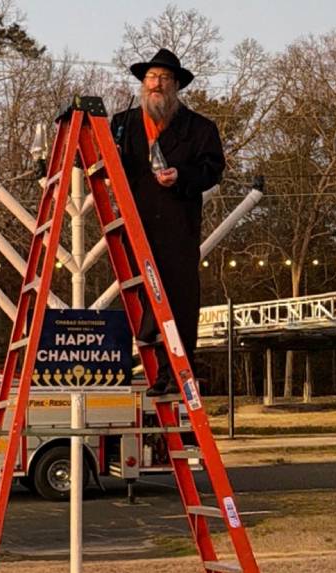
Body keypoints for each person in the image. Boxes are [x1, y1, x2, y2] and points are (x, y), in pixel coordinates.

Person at [111, 48, 225, 396]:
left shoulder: (199, 127)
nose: (157, 84)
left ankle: (173, 371)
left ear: (176, 85)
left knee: (178, 300)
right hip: (136, 223)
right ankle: (148, 337)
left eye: (164, 78)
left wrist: (183, 176)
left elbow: (213, 170)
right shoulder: (122, 123)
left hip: (178, 227)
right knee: (143, 291)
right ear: (142, 83)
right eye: (151, 78)